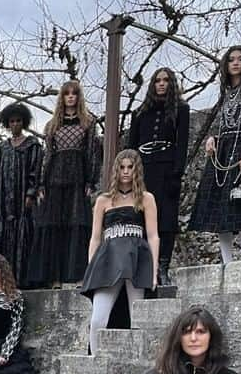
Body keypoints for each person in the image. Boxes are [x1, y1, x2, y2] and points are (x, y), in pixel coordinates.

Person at [189, 46, 241, 264]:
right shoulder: (226, 92)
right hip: (224, 152)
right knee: (220, 208)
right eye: (231, 60)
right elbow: (225, 126)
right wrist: (213, 140)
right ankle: (226, 263)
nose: (236, 63)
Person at [81, 150, 159, 355]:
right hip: (108, 258)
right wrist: (91, 269)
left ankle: (137, 361)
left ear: (137, 170)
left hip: (137, 259)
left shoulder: (146, 198)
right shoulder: (103, 200)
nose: (126, 171)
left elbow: (153, 236)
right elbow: (95, 237)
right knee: (98, 318)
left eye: (130, 167)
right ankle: (94, 361)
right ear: (116, 170)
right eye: (122, 167)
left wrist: (154, 271)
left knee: (137, 317)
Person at [27, 80, 102, 287]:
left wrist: (91, 180)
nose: (70, 97)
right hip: (55, 179)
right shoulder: (52, 125)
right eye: (67, 94)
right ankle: (55, 277)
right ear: (62, 97)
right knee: (54, 226)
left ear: (78, 97)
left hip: (78, 179)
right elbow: (47, 155)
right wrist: (41, 185)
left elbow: (92, 153)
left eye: (74, 93)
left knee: (77, 224)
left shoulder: (88, 123)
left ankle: (78, 275)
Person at [127, 68, 190, 286]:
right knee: (140, 219)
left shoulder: (181, 109)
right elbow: (130, 147)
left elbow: (182, 144)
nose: (161, 84)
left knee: (166, 220)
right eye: (157, 81)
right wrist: (130, 175)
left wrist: (177, 173)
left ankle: (162, 266)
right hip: (144, 170)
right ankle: (142, 266)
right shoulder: (140, 112)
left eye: (165, 80)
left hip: (166, 170)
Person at [0, 103, 43, 287]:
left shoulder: (32, 145)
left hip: (23, 203)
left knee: (24, 235)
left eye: (18, 121)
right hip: (3, 202)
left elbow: (36, 170)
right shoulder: (2, 148)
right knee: (1, 238)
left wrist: (31, 193)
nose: (15, 124)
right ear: (7, 124)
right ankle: (1, 281)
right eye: (12, 121)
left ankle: (24, 280)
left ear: (23, 122)